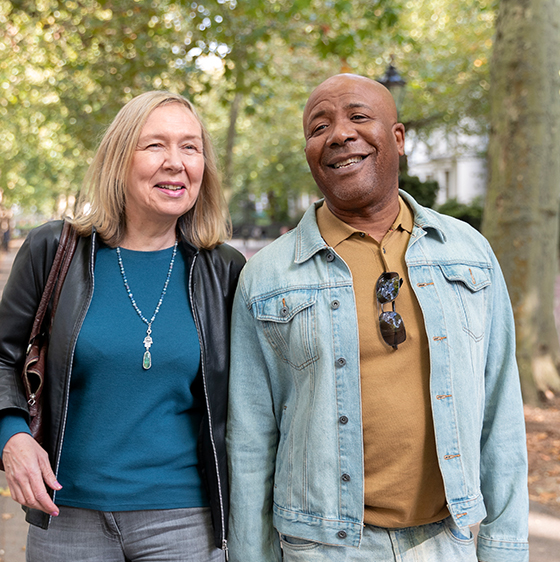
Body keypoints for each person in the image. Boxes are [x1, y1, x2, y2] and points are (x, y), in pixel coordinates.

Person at [226, 74, 528, 562]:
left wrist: (505, 549)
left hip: (447, 542)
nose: (339, 134)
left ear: (399, 138)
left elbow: (501, 413)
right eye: (318, 126)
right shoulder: (267, 276)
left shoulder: (470, 254)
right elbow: (249, 440)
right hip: (321, 546)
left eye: (359, 117)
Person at [0, 91, 245, 561]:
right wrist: (12, 437)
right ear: (119, 160)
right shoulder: (53, 251)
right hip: (66, 515)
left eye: (190, 147)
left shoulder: (225, 270)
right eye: (155, 145)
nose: (175, 163)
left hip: (185, 522)